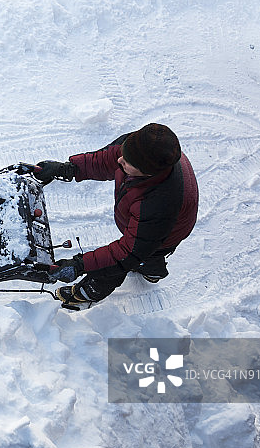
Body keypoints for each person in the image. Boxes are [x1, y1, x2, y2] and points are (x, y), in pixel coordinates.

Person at [33, 123, 199, 310]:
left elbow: (126, 253)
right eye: (124, 153)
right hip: (146, 223)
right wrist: (68, 169)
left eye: (127, 162)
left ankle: (88, 293)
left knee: (125, 263)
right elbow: (105, 160)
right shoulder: (139, 146)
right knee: (142, 255)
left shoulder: (159, 204)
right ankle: (151, 268)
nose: (120, 160)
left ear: (147, 172)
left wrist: (81, 265)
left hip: (165, 233)